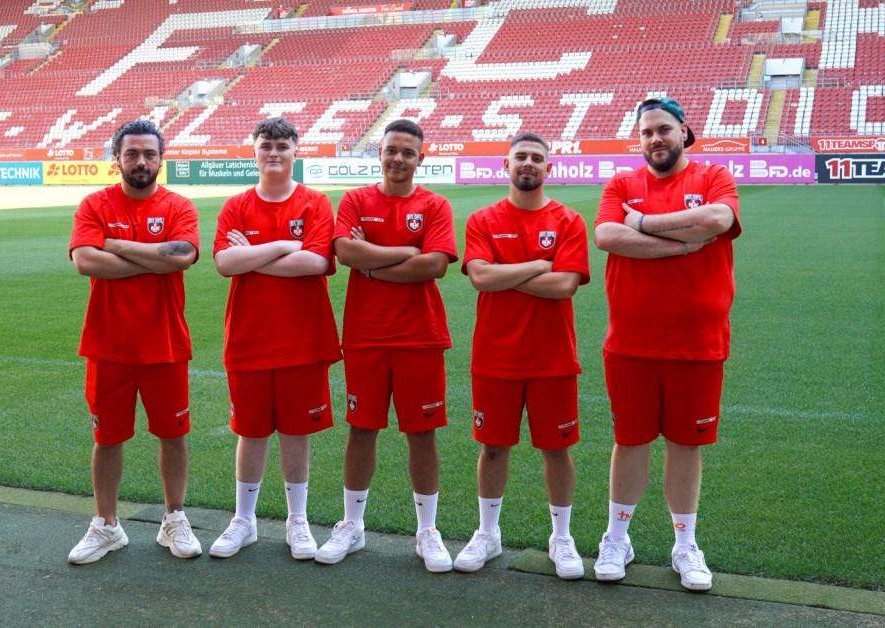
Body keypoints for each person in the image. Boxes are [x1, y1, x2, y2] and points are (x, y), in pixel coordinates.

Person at [592, 97, 741, 591]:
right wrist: (681, 242)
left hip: (698, 343)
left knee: (686, 444)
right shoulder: (622, 184)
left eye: (663, 129)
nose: (655, 138)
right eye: (646, 132)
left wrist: (642, 224)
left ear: (683, 131)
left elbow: (717, 221)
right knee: (630, 441)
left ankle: (685, 544)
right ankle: (617, 538)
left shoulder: (713, 176)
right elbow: (607, 236)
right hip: (631, 342)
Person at [314, 119, 459, 572]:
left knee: (422, 433)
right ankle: (352, 525)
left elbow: (434, 266)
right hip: (366, 335)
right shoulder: (356, 200)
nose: (398, 158)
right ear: (379, 152)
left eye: (407, 152)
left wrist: (373, 263)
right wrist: (406, 252)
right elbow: (345, 252)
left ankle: (427, 530)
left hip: (420, 336)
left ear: (421, 158)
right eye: (391, 150)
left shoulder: (434, 204)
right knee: (361, 429)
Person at [454, 133, 590, 579]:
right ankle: (488, 533)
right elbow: (480, 277)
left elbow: (565, 285)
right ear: (506, 165)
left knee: (557, 450)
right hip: (495, 357)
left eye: (536, 158)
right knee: (493, 448)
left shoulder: (568, 220)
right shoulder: (483, 219)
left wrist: (505, 274)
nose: (528, 163)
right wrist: (538, 265)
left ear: (549, 167)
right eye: (520, 157)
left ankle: (561, 537)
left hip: (553, 357)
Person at [67, 119, 202, 564]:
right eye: (132, 154)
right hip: (108, 345)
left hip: (165, 343)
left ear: (161, 159)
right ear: (117, 159)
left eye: (149, 154)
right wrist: (153, 258)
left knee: (173, 435)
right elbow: (86, 261)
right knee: (107, 439)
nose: (141, 161)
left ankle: (173, 518)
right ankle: (107, 525)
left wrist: (116, 244)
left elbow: (182, 255)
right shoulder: (95, 203)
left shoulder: (179, 206)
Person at [210, 117, 341, 561]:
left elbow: (315, 263)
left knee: (295, 432)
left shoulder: (315, 203)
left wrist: (251, 254)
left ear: (295, 152)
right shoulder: (236, 205)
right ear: (254, 151)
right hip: (248, 338)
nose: (274, 153)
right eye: (266, 145)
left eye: (282, 146)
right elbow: (225, 264)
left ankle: (297, 520)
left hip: (303, 339)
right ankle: (243, 520)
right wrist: (286, 245)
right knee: (250, 432)